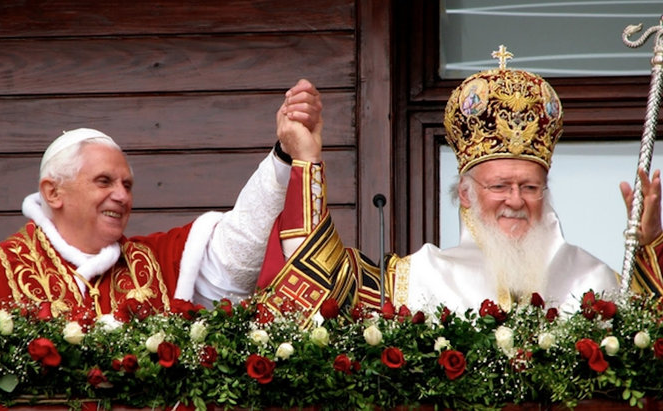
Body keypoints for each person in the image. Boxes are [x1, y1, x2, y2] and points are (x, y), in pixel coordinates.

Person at [258, 48, 663, 324]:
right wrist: (306, 161)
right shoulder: (416, 279)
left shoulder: (595, 282)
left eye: (531, 187)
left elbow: (650, 335)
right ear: (466, 194)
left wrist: (651, 246)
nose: (516, 201)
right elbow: (321, 284)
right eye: (500, 186)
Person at [0, 79, 323, 319]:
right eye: (104, 181)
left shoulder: (154, 262)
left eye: (127, 184)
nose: (122, 195)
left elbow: (238, 249)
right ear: (52, 192)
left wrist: (286, 154)